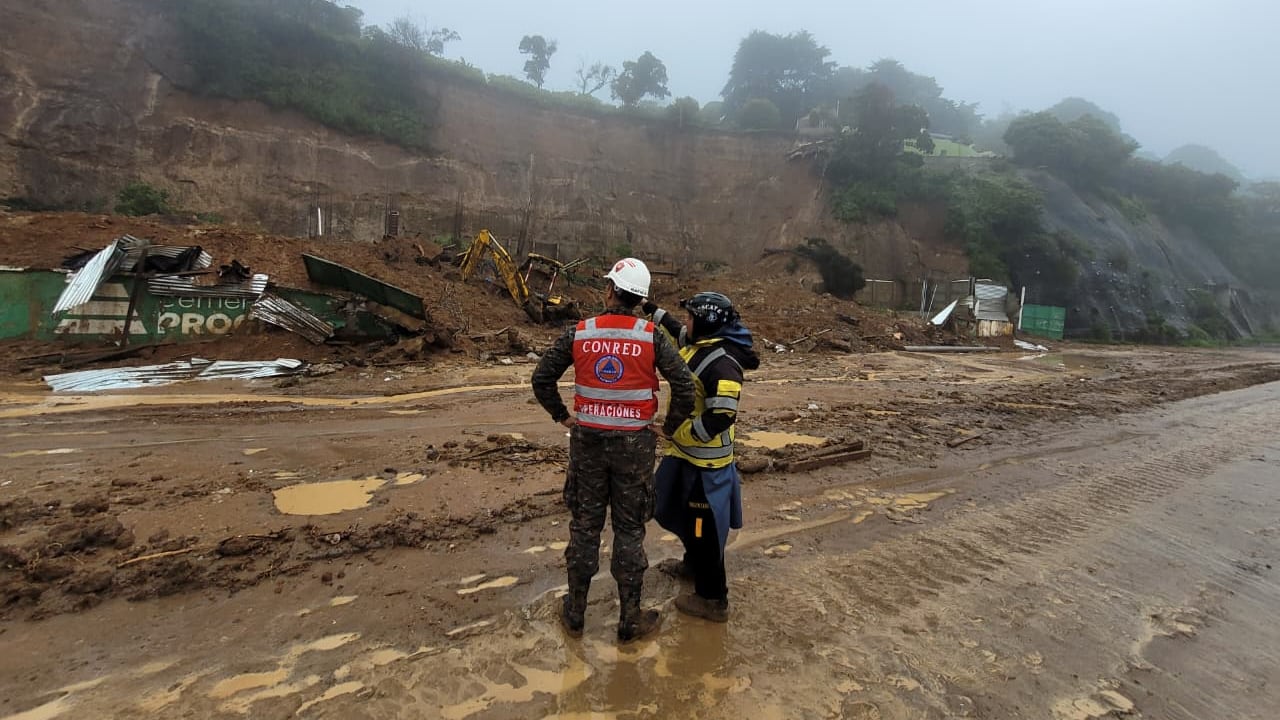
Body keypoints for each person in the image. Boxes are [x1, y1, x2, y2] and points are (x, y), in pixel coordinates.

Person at [531, 257, 696, 642]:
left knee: (585, 527)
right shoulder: (651, 336)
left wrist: (563, 417)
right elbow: (684, 387)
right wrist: (668, 429)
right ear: (641, 299)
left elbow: (541, 378)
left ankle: (574, 614)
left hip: (587, 443)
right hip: (635, 447)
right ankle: (629, 620)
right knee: (629, 530)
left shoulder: (581, 332)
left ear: (609, 291)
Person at [645, 291, 759, 623]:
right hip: (688, 458)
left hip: (707, 466)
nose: (688, 323)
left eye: (693, 317)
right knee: (684, 517)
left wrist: (674, 433)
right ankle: (692, 566)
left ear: (707, 324)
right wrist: (654, 311)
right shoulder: (701, 344)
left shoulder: (723, 365)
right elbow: (679, 329)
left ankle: (713, 598)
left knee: (705, 531)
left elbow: (721, 416)